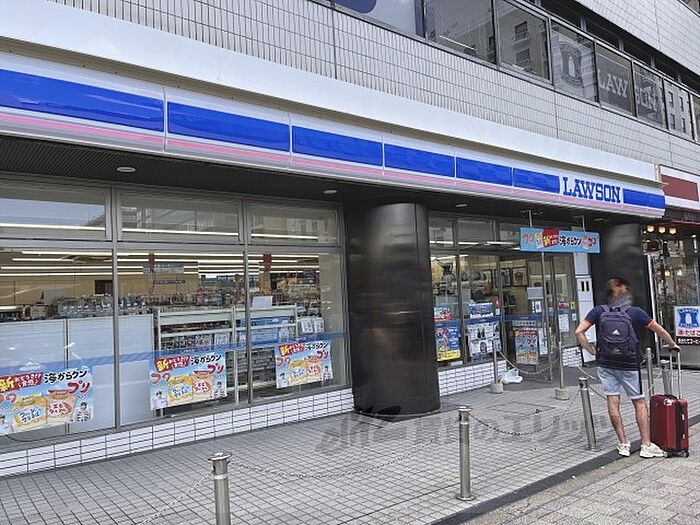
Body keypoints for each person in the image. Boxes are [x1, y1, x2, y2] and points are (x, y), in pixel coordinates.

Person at [575, 277, 680, 459]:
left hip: (606, 363)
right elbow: (659, 330)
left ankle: (623, 444)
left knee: (612, 400)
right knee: (639, 402)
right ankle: (646, 445)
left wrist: (592, 351)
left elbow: (579, 331)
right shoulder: (635, 312)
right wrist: (672, 344)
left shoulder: (599, 311)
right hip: (629, 364)